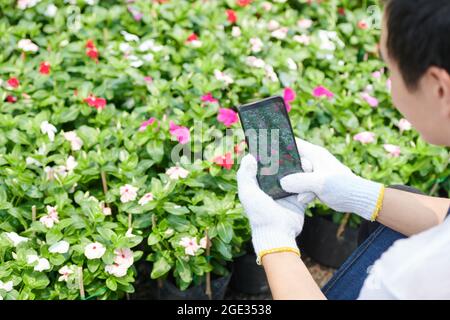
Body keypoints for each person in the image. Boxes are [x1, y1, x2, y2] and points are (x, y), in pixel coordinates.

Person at [236, 0, 450, 300]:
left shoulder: (407, 275)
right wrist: (360, 193)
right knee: (403, 200)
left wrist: (273, 239)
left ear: (439, 88)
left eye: (389, 67)